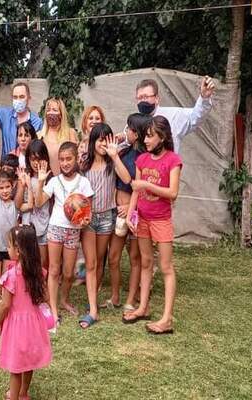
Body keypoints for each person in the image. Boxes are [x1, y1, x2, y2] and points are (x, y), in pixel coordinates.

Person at [123, 116, 183, 335]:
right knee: (146, 262)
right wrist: (131, 213)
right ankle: (143, 307)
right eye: (145, 136)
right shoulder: (142, 160)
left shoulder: (173, 160)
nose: (146, 140)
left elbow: (172, 193)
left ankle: (166, 319)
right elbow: (136, 192)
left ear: (162, 137)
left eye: (150, 136)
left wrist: (147, 184)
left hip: (161, 220)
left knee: (166, 267)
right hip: (143, 220)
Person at [34, 142, 93, 327]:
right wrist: (41, 180)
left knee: (68, 273)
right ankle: (53, 308)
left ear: (76, 159)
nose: (65, 163)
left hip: (73, 232)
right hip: (56, 228)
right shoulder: (54, 181)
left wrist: (86, 220)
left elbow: (88, 211)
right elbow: (38, 202)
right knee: (53, 269)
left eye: (69, 159)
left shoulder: (83, 182)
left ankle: (64, 299)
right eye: (62, 159)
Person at [79, 123, 132, 329]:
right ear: (93, 141)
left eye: (106, 139)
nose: (103, 143)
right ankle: (93, 310)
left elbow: (127, 178)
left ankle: (93, 299)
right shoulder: (84, 163)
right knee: (91, 264)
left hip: (107, 219)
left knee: (99, 262)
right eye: (99, 139)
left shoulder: (112, 163)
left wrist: (114, 155)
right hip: (88, 219)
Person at [0, 225, 52, 400]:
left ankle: (13, 397)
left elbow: (5, 305)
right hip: (34, 325)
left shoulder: (11, 276)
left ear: (18, 251)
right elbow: (46, 296)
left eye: (9, 246)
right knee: (28, 364)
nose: (7, 249)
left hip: (17, 327)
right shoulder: (37, 273)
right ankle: (23, 394)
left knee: (15, 369)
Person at [0, 142, 32, 321]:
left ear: (11, 187)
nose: (4, 191)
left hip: (11, 247)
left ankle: (7, 304)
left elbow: (20, 192)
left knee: (7, 278)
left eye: (7, 187)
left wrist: (21, 181)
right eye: (1, 188)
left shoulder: (15, 205)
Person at [108, 113, 149, 312]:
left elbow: (131, 182)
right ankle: (115, 296)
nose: (127, 131)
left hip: (135, 213)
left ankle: (131, 300)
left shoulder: (144, 158)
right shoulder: (124, 152)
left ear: (138, 133)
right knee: (113, 257)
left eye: (130, 128)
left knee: (135, 258)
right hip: (119, 213)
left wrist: (130, 208)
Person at [133, 77, 215, 154]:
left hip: (167, 168)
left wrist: (204, 98)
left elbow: (195, 117)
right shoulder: (134, 121)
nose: (143, 101)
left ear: (157, 98)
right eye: (140, 97)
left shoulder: (174, 115)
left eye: (146, 97)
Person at [0, 67, 43, 156]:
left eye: (21, 97)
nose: (18, 100)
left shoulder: (37, 122)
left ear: (29, 98)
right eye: (15, 97)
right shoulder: (5, 115)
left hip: (27, 167)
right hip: (7, 166)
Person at [24, 139, 52, 271]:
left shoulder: (50, 179)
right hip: (28, 225)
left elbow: (39, 203)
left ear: (45, 159)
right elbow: (19, 203)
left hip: (44, 225)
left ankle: (41, 287)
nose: (36, 163)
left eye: (39, 159)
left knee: (42, 261)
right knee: (27, 260)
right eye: (32, 159)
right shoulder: (25, 177)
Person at [38, 98, 77, 175]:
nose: (51, 113)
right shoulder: (40, 135)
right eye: (48, 110)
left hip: (67, 179)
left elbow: (76, 159)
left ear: (61, 114)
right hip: (47, 181)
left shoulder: (70, 133)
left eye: (55, 110)